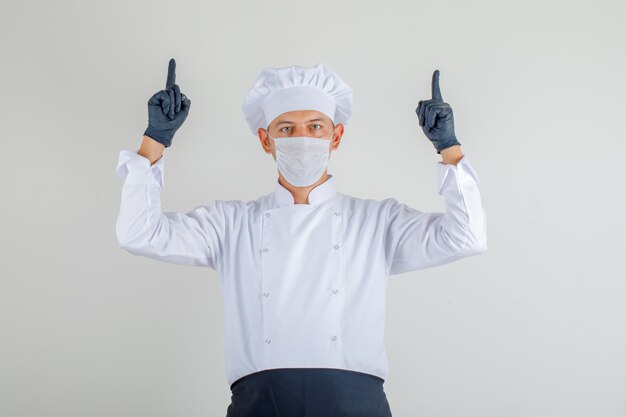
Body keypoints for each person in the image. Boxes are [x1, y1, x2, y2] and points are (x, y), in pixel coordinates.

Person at [115, 58, 487, 417]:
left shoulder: (377, 221)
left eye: (315, 127)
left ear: (336, 136)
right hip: (260, 404)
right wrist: (154, 142)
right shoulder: (229, 224)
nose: (302, 138)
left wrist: (449, 148)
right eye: (287, 129)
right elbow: (140, 233)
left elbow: (466, 236)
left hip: (356, 405)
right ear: (266, 140)